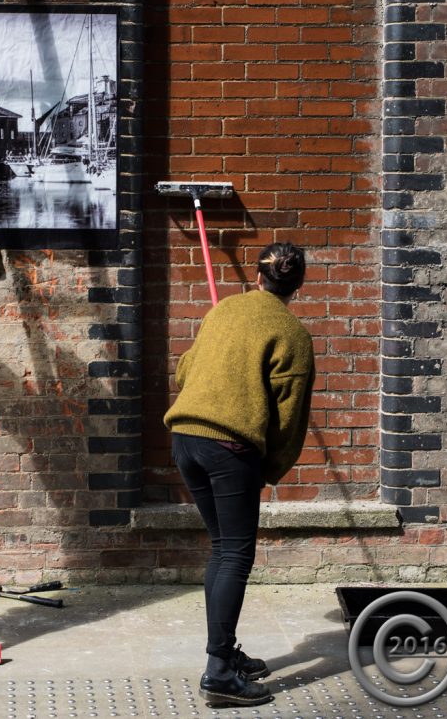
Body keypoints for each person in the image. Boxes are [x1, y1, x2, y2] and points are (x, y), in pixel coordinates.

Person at [163, 241, 315, 708]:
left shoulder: (224, 310)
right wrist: (270, 468)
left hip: (185, 437)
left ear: (258, 276)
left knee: (222, 549)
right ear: (298, 285)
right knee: (235, 556)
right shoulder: (292, 334)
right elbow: (290, 419)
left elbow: (184, 372)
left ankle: (224, 653)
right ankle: (219, 673)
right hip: (229, 448)